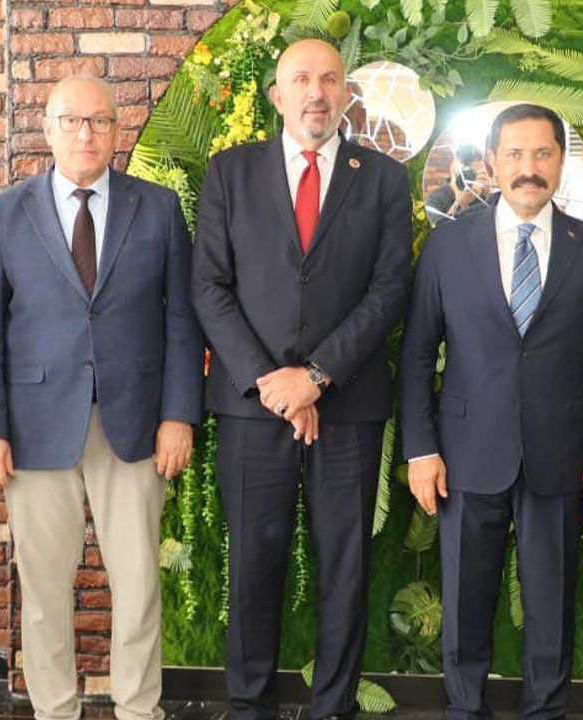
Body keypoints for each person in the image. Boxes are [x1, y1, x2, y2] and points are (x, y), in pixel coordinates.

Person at [0, 76, 204, 720]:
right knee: (44, 589)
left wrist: (179, 415)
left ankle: (138, 709)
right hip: (34, 428)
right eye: (71, 120)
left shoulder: (158, 209)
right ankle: (54, 710)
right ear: (47, 128)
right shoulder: (6, 213)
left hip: (136, 424)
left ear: (117, 131)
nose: (86, 133)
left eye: (99, 121)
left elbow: (182, 320)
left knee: (139, 583)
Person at [191, 38, 412, 720]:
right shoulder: (230, 172)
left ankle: (334, 707)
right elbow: (209, 287)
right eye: (302, 79)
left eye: (330, 79)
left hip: (348, 406)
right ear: (277, 95)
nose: (317, 92)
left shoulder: (382, 179)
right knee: (253, 568)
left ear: (346, 94)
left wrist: (316, 377)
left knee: (344, 569)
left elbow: (388, 289)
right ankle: (248, 706)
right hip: (253, 409)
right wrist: (273, 381)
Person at [398, 103, 583, 719]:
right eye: (515, 154)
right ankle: (463, 711)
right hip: (464, 455)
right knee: (464, 608)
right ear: (492, 162)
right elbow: (417, 354)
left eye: (542, 154)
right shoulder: (448, 247)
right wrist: (421, 450)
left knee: (552, 611)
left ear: (561, 162)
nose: (528, 167)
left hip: (562, 459)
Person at [424, 144, 492, 224]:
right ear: (452, 169)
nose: (469, 177)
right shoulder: (435, 198)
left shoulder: (484, 194)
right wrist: (459, 203)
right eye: (465, 172)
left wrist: (490, 196)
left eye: (474, 173)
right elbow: (440, 229)